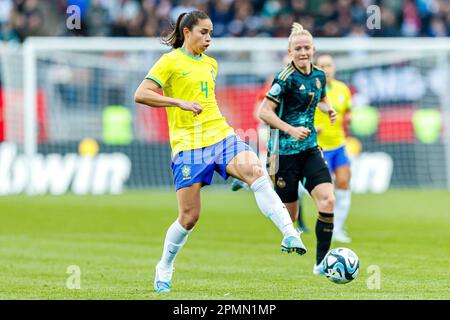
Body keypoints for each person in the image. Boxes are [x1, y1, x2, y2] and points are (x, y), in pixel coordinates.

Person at [134, 10, 306, 293]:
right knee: (189, 217)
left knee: (256, 171)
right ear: (187, 32)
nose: (209, 38)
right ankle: (164, 265)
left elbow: (207, 102)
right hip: (188, 146)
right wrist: (179, 103)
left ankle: (289, 233)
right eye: (204, 32)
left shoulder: (211, 64)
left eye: (211, 33)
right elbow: (141, 94)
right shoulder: (170, 61)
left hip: (221, 135)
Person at [258, 22, 337, 275]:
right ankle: (288, 230)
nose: (303, 52)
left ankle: (321, 263)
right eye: (298, 48)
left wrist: (329, 108)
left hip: (310, 148)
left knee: (328, 199)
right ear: (290, 52)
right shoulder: (284, 79)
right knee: (289, 217)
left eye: (307, 48)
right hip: (282, 154)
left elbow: (321, 97)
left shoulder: (318, 76)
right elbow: (264, 112)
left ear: (313, 49)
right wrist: (290, 129)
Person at [230, 54, 310, 233]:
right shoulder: (273, 87)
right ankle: (244, 179)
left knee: (289, 180)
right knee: (273, 177)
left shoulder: (302, 88)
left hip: (291, 136)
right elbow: (258, 113)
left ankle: (299, 224)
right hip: (272, 133)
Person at [314, 54, 353, 243]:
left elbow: (347, 111)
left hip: (339, 144)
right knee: (326, 192)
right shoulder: (312, 89)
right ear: (316, 68)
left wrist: (348, 119)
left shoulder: (343, 89)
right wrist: (312, 128)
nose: (326, 69)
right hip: (320, 147)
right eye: (322, 66)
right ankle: (327, 226)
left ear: (334, 68)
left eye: (329, 65)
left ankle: (338, 229)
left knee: (344, 183)